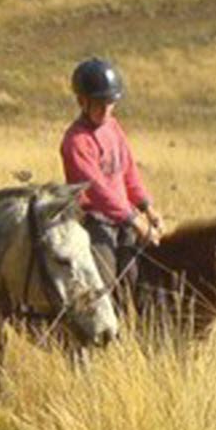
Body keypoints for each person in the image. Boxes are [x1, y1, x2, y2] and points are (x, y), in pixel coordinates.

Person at [60, 57, 165, 313]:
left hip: (126, 219)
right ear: (81, 101)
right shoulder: (75, 141)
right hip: (96, 222)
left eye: (111, 103)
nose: (106, 111)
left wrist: (147, 207)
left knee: (148, 279)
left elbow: (128, 172)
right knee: (102, 285)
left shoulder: (113, 127)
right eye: (99, 104)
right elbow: (96, 190)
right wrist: (133, 219)